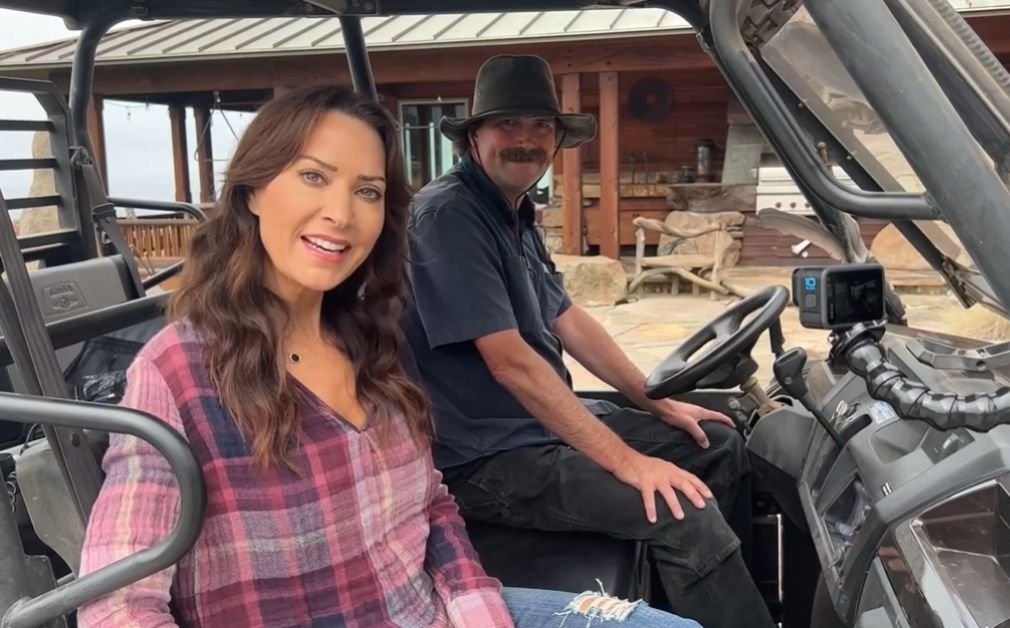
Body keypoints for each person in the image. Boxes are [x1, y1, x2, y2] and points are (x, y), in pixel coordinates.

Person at [76, 85, 698, 628]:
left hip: (429, 610)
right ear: (254, 189)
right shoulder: (177, 372)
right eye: (314, 177)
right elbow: (117, 604)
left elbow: (432, 509)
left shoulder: (373, 345)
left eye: (367, 191)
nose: (340, 213)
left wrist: (478, 612)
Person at [402, 55, 775, 628]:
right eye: (507, 124)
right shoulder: (447, 217)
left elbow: (569, 320)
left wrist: (660, 402)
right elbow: (510, 364)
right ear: (474, 137)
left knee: (717, 444)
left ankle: (703, 608)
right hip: (483, 457)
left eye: (540, 125)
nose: (526, 139)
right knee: (683, 509)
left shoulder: (514, 212)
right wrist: (629, 463)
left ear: (556, 139)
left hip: (533, 428)